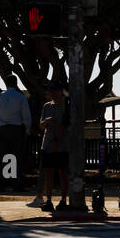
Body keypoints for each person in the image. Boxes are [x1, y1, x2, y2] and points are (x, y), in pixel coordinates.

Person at [0, 74, 32, 190]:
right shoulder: (20, 97)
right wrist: (27, 129)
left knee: (4, 156)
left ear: (6, 83)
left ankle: (2, 182)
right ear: (16, 83)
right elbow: (26, 115)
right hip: (17, 129)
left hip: (2, 129)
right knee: (16, 156)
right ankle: (16, 182)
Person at [39, 85, 69, 213]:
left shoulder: (66, 106)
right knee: (48, 172)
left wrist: (56, 141)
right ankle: (49, 199)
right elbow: (41, 125)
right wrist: (46, 121)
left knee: (62, 172)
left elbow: (66, 125)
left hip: (62, 145)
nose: (53, 94)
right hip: (47, 144)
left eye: (55, 91)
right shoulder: (47, 106)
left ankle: (63, 199)